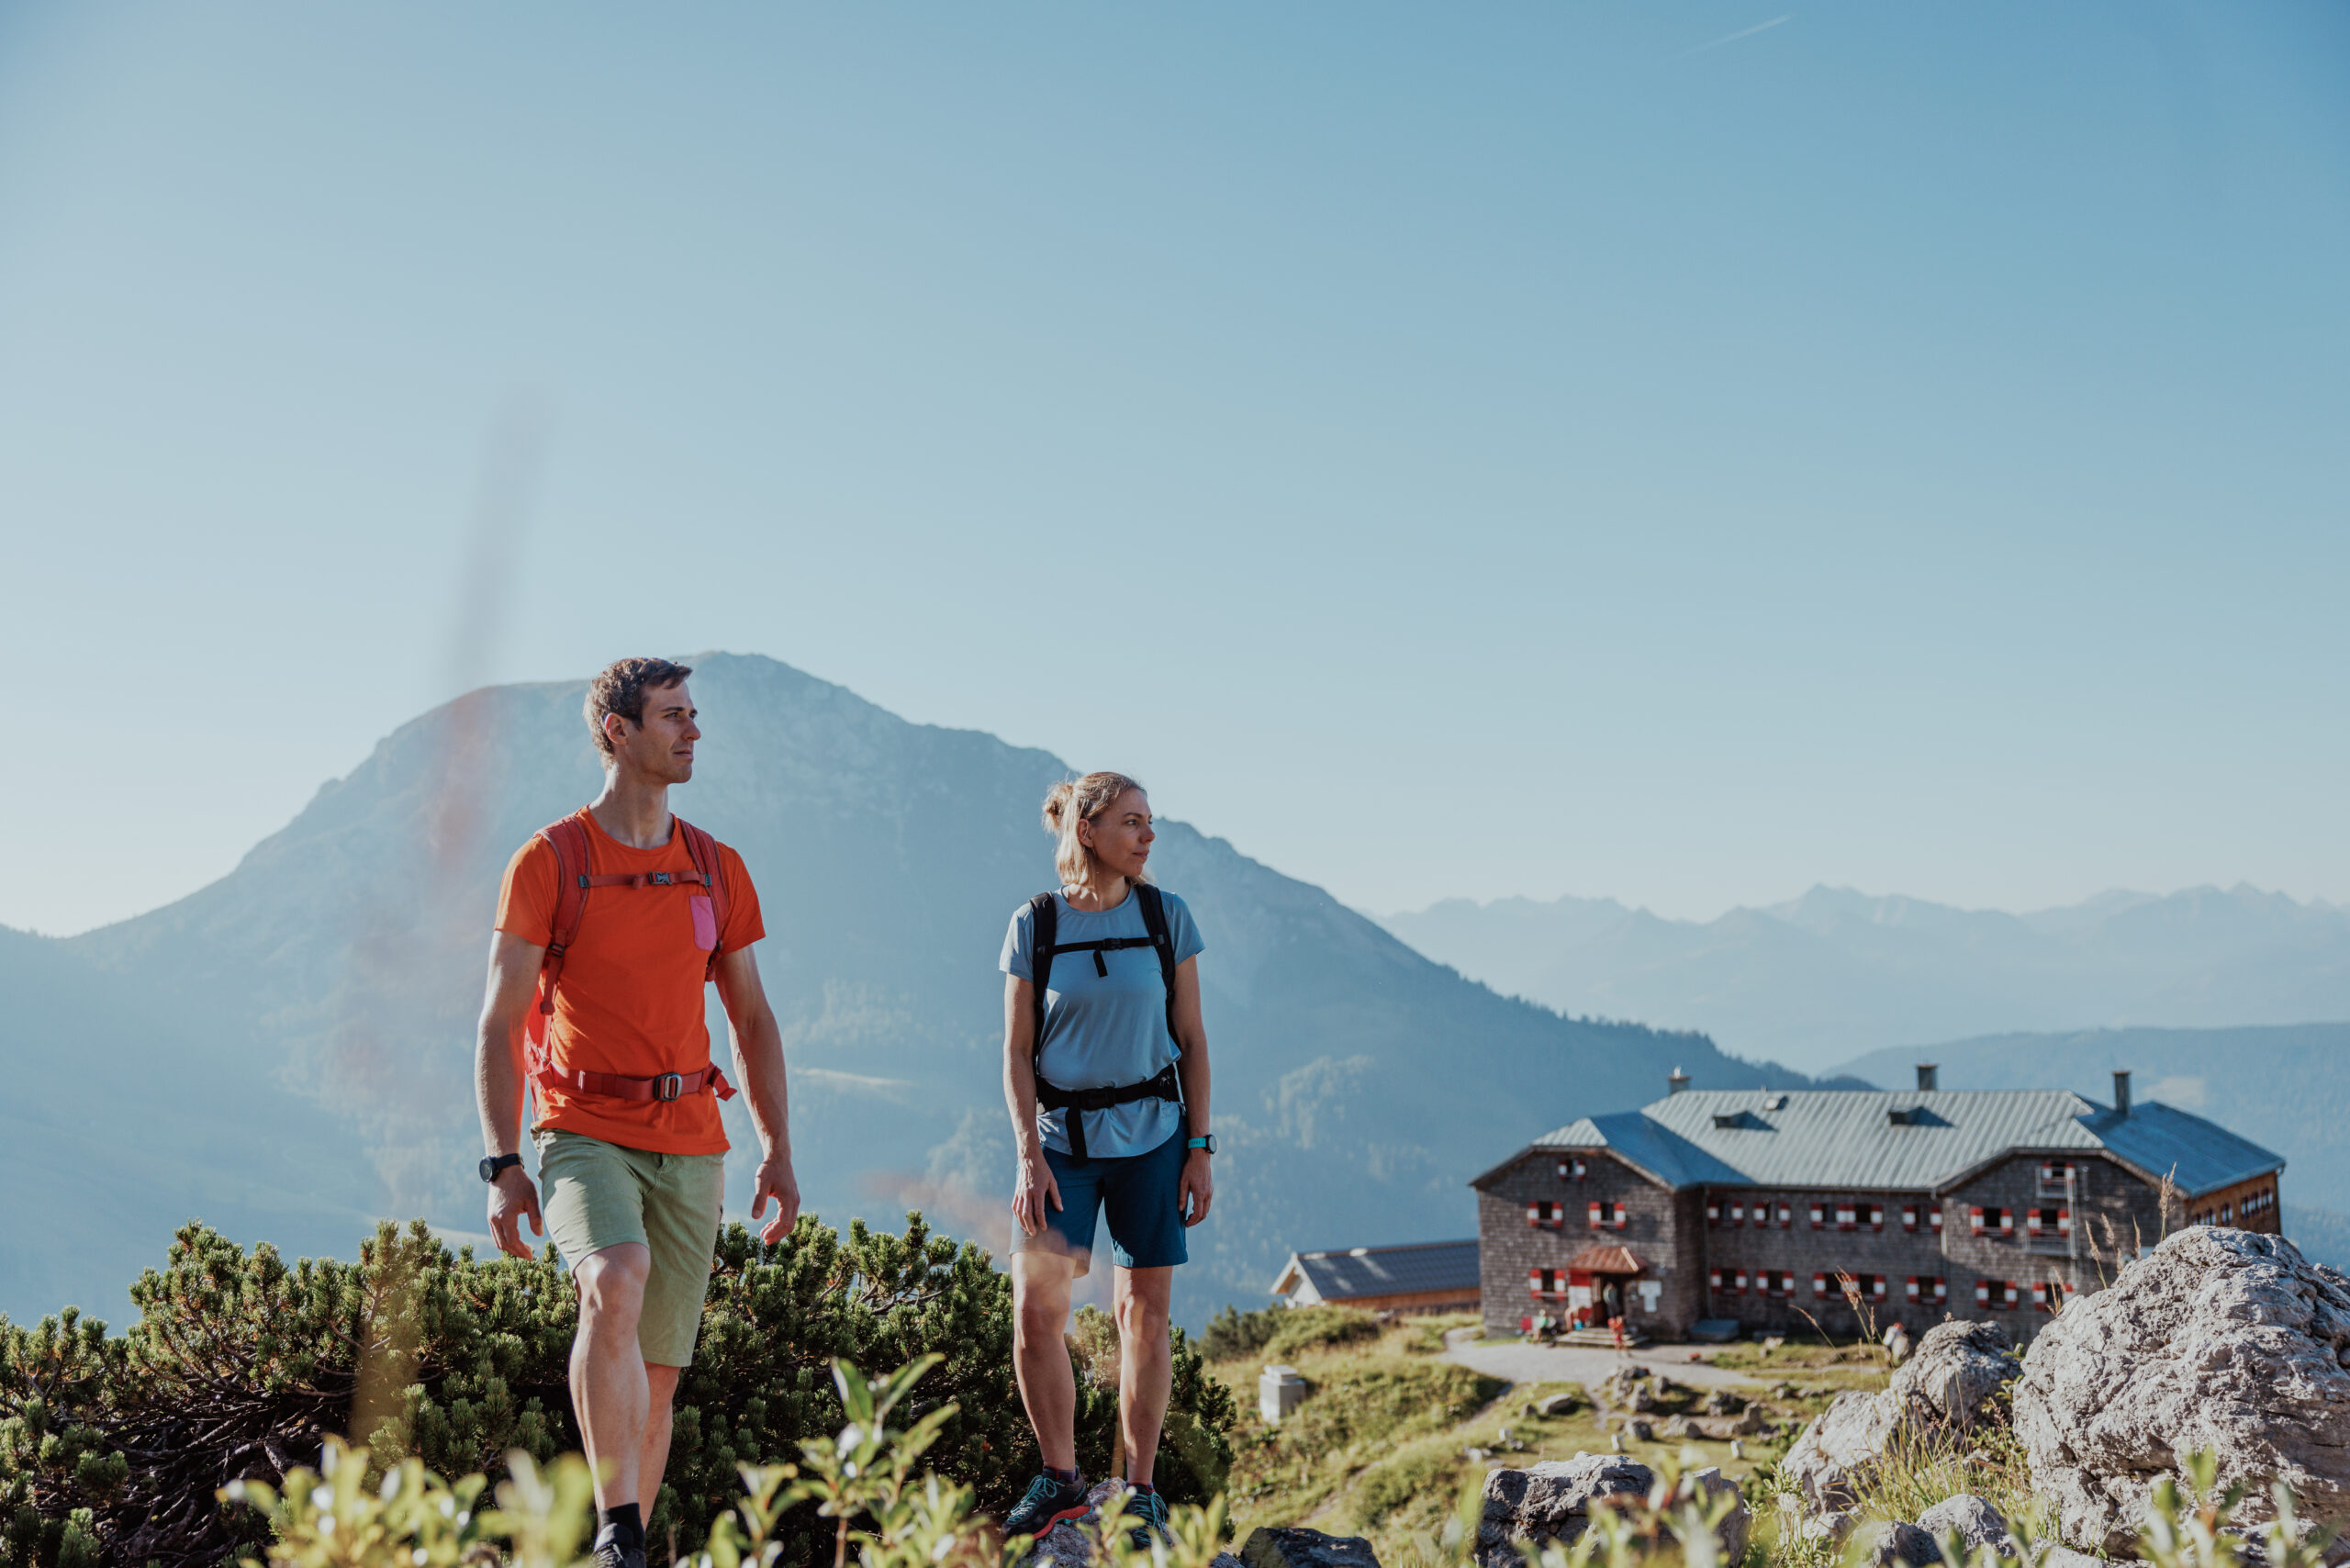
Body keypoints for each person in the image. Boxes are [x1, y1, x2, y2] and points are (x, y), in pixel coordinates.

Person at [474, 657, 800, 1568]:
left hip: (692, 1138)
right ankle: (619, 1527)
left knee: (656, 1376)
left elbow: (752, 1017)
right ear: (616, 731)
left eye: (693, 714)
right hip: (581, 1126)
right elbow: (499, 1021)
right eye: (671, 716)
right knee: (613, 1281)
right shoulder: (551, 860)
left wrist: (777, 1147)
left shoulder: (715, 866)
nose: (693, 731)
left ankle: (624, 1548)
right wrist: (502, 1163)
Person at [998, 772, 1214, 1546]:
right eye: (1132, 822)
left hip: (1155, 1140)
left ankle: (1139, 1490)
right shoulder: (1036, 923)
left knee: (1142, 1316)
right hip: (1061, 1145)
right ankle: (1060, 1479)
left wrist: (1200, 1147)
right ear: (1086, 830)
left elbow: (1192, 1040)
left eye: (1149, 822)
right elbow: (1016, 1052)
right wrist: (1029, 1156)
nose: (1148, 835)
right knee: (1036, 1312)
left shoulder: (1166, 916)